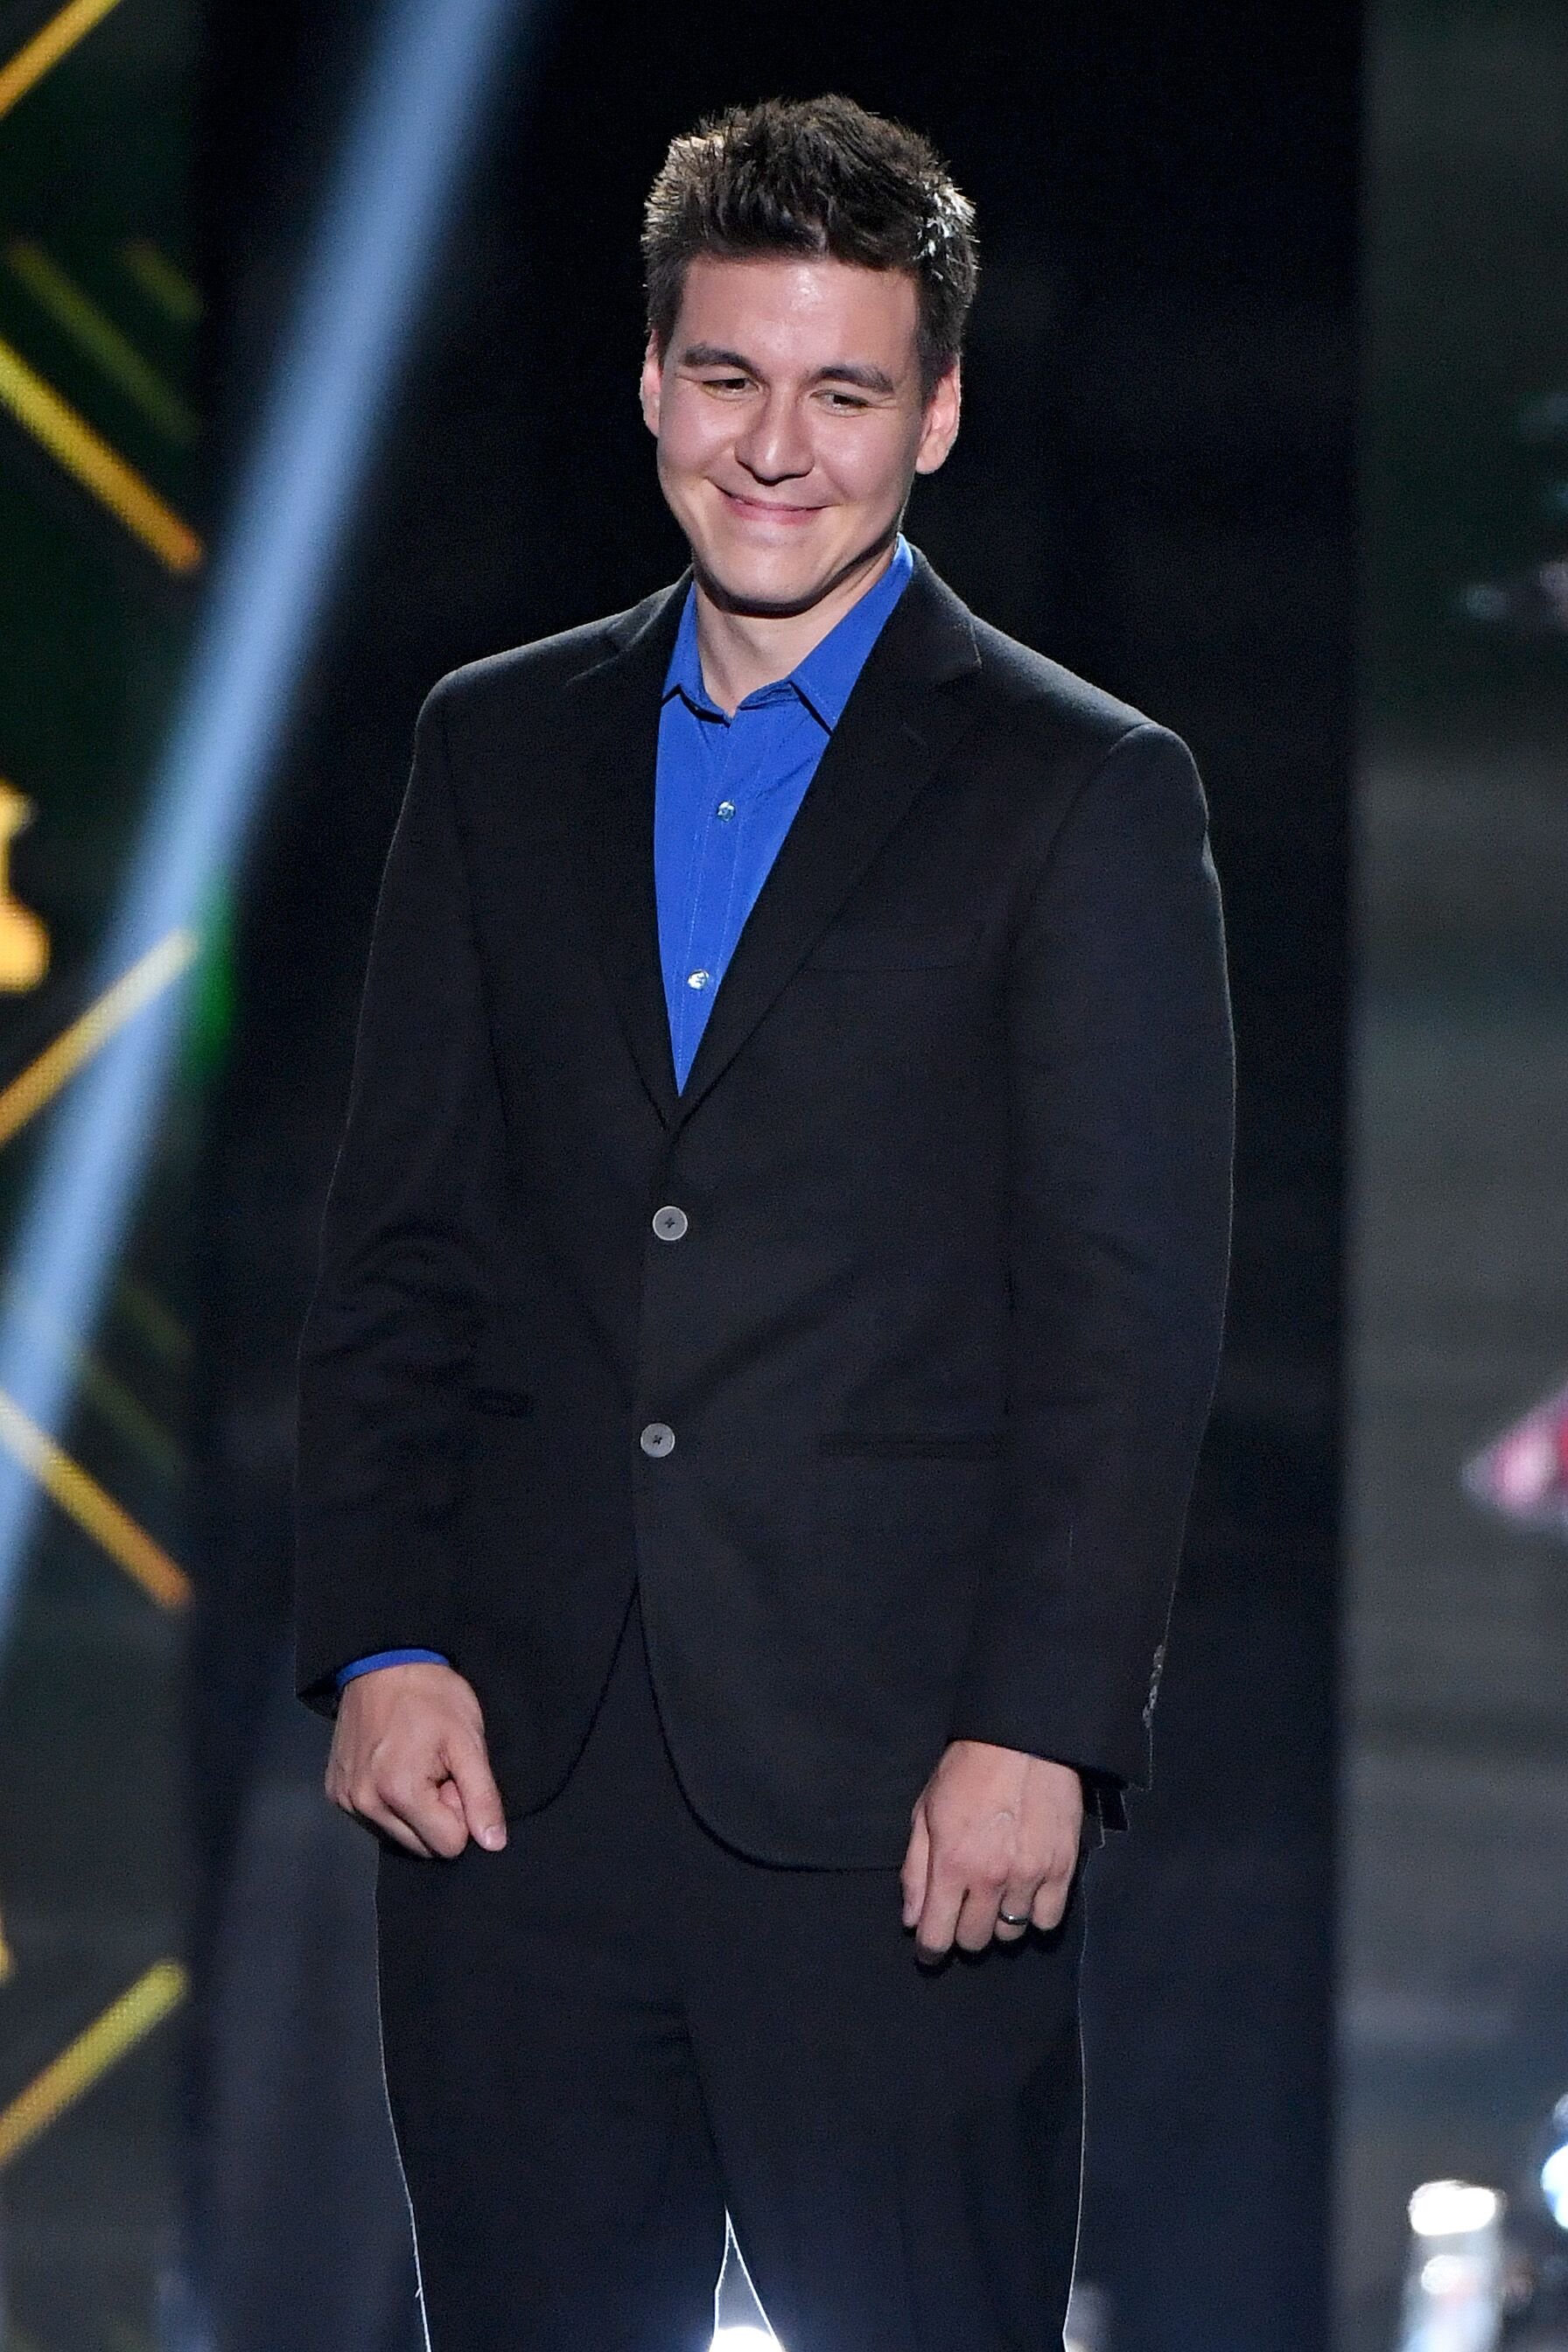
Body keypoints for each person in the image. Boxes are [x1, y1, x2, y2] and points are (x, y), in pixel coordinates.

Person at [293, 92, 1234, 2352]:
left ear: (939, 411)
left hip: (906, 1817)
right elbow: (402, 1239)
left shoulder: (1082, 791)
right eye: (730, 377)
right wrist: (382, 1634)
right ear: (649, 383)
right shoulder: (492, 751)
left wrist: (1046, 1723)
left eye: (842, 390)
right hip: (517, 1805)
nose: (775, 446)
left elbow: (1129, 1309)